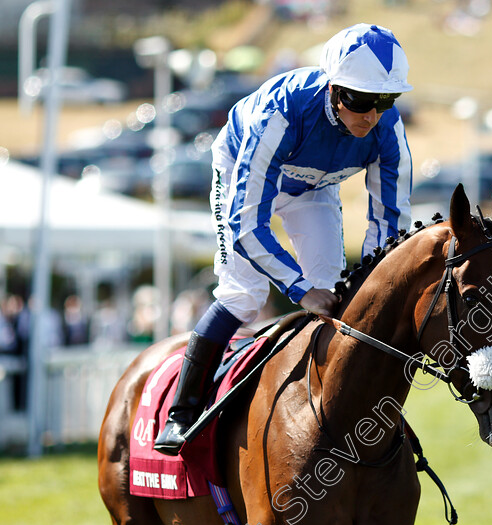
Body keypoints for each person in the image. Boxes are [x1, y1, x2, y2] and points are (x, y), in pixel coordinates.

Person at [154, 23, 414, 455]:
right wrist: (297, 289)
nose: (371, 115)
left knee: (333, 292)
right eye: (360, 100)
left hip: (314, 188)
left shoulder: (388, 130)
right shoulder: (281, 111)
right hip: (246, 171)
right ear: (332, 89)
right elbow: (247, 226)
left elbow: (389, 225)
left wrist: (371, 289)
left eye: (385, 101)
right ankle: (182, 411)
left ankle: (327, 408)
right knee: (245, 294)